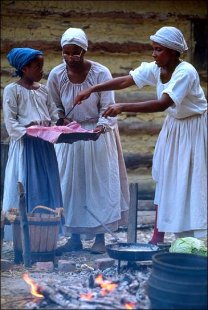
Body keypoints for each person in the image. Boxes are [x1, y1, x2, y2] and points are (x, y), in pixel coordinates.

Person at [75, 26, 207, 243]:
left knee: (189, 178)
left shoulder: (186, 72)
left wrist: (122, 106)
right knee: (165, 176)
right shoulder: (157, 68)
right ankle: (158, 234)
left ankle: (193, 236)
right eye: (153, 49)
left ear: (173, 52)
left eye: (159, 50)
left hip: (194, 128)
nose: (154, 54)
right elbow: (126, 80)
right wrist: (92, 89)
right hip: (174, 126)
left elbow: (163, 103)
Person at [47, 28, 129, 254]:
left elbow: (107, 106)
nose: (71, 58)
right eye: (66, 53)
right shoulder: (56, 75)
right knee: (71, 186)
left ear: (84, 51)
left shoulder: (101, 73)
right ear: (61, 51)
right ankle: (74, 237)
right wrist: (61, 119)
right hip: (71, 134)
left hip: (97, 134)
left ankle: (100, 237)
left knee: (98, 186)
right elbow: (54, 105)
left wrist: (102, 126)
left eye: (76, 53)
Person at [3, 47, 63, 239]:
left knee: (47, 184)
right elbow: (11, 124)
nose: (41, 71)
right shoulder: (12, 91)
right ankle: (25, 234)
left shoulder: (43, 90)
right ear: (24, 67)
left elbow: (54, 116)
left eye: (42, 66)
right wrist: (29, 128)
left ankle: (46, 233)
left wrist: (56, 125)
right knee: (26, 186)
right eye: (38, 66)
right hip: (25, 147)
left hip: (44, 146)